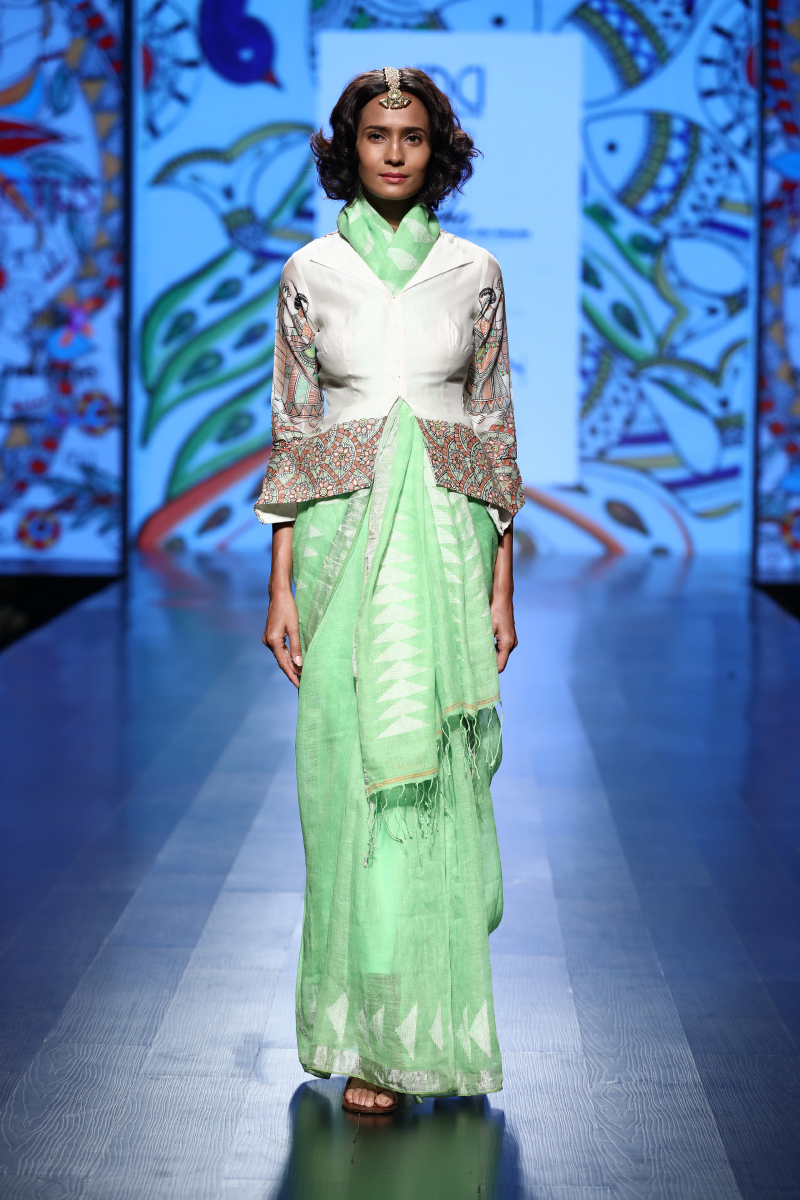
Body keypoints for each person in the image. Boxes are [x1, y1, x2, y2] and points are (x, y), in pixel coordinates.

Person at [257, 66, 523, 1115]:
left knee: (435, 781)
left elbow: (494, 429)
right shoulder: (310, 271)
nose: (396, 152)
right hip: (339, 544)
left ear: (436, 149)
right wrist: (278, 585)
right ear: (350, 147)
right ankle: (367, 1032)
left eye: (412, 136)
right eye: (377, 134)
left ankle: (429, 1034)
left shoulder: (474, 272)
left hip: (450, 545)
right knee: (347, 780)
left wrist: (503, 584)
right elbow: (292, 426)